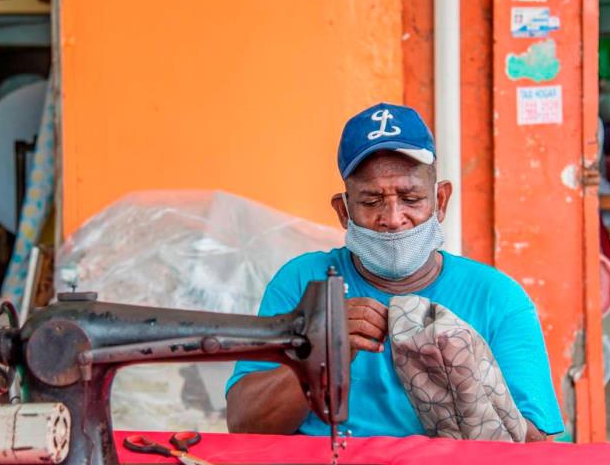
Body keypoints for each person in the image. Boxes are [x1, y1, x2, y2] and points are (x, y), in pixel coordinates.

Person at [225, 103, 563, 441]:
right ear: (344, 211)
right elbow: (244, 424)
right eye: (371, 201)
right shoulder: (303, 283)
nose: (393, 218)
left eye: (411, 198)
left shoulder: (496, 297)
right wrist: (321, 353)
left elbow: (536, 448)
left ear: (440, 201)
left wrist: (472, 381)